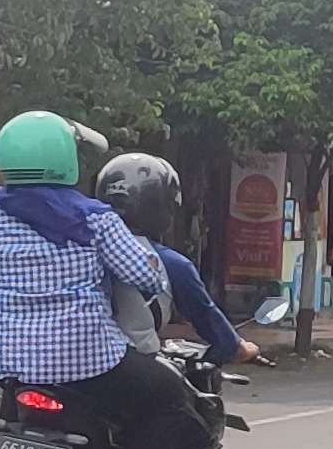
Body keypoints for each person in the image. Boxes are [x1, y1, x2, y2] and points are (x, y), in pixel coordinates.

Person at [0, 109, 210, 449]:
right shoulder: (94, 219)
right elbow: (143, 277)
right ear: (65, 161)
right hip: (88, 363)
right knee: (173, 401)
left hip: (8, 364)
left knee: (13, 413)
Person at [94, 153, 253, 364]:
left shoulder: (78, 248)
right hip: (132, 367)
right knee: (185, 395)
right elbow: (206, 318)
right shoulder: (170, 264)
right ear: (163, 206)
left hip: (71, 368)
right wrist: (238, 347)